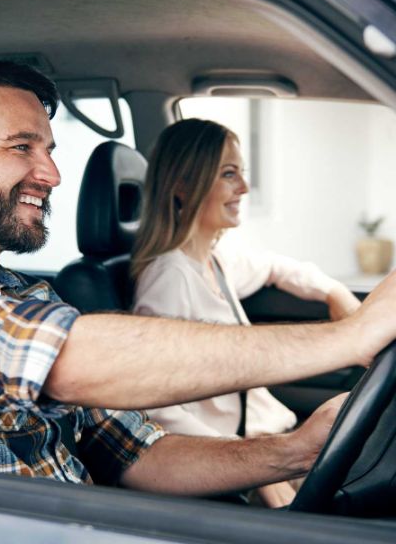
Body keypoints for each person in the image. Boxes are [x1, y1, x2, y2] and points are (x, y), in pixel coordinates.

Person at [0, 52, 395, 501]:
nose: (50, 172)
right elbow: (59, 356)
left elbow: (139, 457)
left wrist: (295, 450)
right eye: (22, 147)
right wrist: (346, 336)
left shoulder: (28, 296)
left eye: (48, 148)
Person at [131, 119, 362, 506]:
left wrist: (334, 292)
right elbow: (156, 407)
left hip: (274, 446)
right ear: (183, 186)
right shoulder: (170, 277)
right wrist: (250, 463)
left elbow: (276, 267)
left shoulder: (214, 260)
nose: (243, 187)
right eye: (228, 174)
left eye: (242, 173)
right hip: (241, 467)